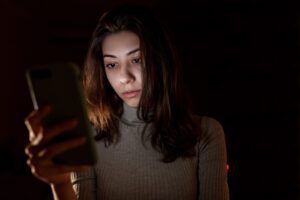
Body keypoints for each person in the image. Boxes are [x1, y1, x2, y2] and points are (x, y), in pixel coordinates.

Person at [24, 4, 229, 200]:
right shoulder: (90, 136)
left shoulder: (207, 132)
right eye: (112, 64)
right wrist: (59, 183)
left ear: (160, 60)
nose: (124, 77)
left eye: (137, 60)